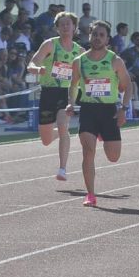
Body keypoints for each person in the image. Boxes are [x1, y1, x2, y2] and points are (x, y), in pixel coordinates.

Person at [68, 20, 130, 207]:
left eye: (101, 35)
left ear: (107, 39)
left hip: (108, 110)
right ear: (89, 36)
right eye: (94, 34)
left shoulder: (115, 60)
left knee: (113, 157)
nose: (97, 38)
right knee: (88, 152)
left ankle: (103, 135)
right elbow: (73, 86)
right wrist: (70, 104)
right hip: (88, 110)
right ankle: (90, 194)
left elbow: (128, 87)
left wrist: (123, 109)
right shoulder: (80, 61)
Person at [29, 11, 84, 179]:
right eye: (62, 24)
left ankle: (62, 169)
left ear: (75, 27)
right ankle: (61, 133)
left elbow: (85, 75)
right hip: (48, 92)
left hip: (67, 93)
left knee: (62, 125)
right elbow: (31, 63)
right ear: (57, 28)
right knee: (45, 140)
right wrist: (38, 69)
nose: (66, 27)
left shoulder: (80, 51)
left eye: (69, 24)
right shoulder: (49, 45)